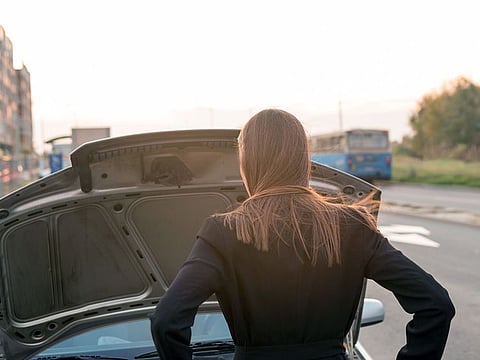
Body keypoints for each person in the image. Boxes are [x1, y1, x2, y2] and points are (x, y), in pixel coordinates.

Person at [150, 109, 455, 359]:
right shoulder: (351, 226)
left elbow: (166, 321)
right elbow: (436, 305)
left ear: (247, 164)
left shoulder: (225, 231)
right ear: (303, 160)